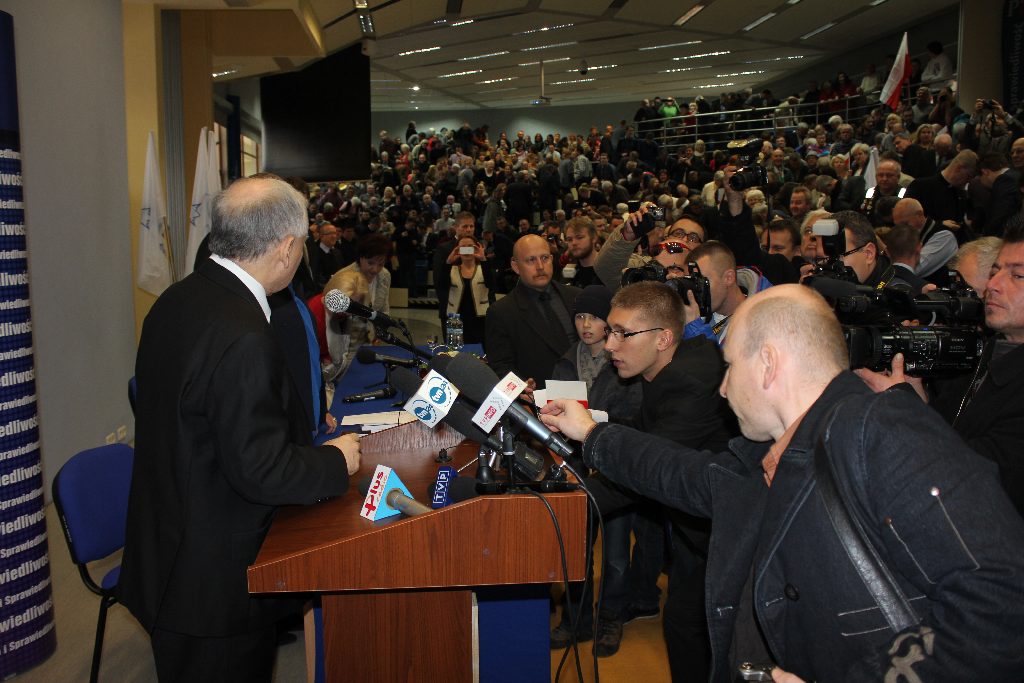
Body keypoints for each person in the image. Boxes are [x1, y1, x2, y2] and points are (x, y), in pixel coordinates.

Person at [540, 283, 1024, 683]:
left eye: (731, 367)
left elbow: (1002, 607)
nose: (724, 388)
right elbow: (687, 476)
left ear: (768, 363)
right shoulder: (773, 450)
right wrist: (590, 433)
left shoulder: (882, 432)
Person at [120, 177, 361, 682]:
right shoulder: (244, 332)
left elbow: (206, 423)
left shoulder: (178, 298)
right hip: (212, 581)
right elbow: (261, 469)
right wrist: (337, 459)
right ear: (288, 247)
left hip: (168, 548)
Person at [858, 229, 1024, 519]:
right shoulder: (985, 352)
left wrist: (904, 405)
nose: (993, 285)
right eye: (995, 271)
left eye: (1017, 276)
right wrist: (916, 392)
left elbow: (981, 475)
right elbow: (951, 430)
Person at [485, 233, 580, 389]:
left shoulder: (575, 296)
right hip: (538, 402)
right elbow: (501, 365)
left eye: (545, 258)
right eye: (531, 260)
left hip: (587, 396)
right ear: (516, 266)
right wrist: (520, 386)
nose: (540, 266)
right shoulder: (501, 312)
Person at [324, 233, 392, 379]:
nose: (375, 269)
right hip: (345, 346)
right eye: (370, 263)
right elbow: (332, 320)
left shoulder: (384, 276)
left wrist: (381, 331)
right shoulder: (344, 277)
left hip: (370, 345)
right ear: (360, 257)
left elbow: (383, 308)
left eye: (381, 264)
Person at [444, 235, 493, 344]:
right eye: (463, 247)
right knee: (455, 350)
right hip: (455, 317)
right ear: (457, 250)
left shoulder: (484, 267)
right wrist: (448, 262)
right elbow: (441, 285)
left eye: (470, 247)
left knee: (480, 352)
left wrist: (483, 259)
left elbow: (492, 284)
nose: (466, 251)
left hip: (480, 318)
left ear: (476, 248)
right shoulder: (451, 269)